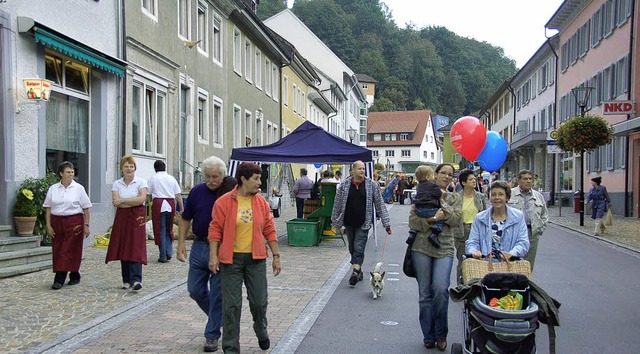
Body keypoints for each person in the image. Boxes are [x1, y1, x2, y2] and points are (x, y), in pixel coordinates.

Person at [208, 162, 281, 354]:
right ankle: (231, 346)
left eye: (259, 178)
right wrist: (213, 256)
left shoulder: (261, 203)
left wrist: (276, 256)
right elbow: (215, 230)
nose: (260, 182)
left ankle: (261, 329)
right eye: (256, 178)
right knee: (231, 306)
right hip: (230, 261)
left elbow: (270, 230)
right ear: (243, 179)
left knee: (259, 302)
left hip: (255, 260)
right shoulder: (223, 202)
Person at [177, 156, 236, 352]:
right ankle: (217, 319)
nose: (211, 180)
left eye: (215, 177)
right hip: (199, 246)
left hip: (221, 248)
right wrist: (181, 244)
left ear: (223, 175)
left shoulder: (229, 194)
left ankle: (211, 335)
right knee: (194, 289)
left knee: (218, 293)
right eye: (207, 176)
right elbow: (185, 219)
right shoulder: (196, 192)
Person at [408, 163, 462, 351]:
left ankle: (441, 333)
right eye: (443, 173)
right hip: (421, 247)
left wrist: (442, 203)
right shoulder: (421, 192)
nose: (447, 177)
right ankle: (428, 336)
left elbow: (456, 219)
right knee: (425, 294)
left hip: (444, 247)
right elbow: (413, 221)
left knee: (440, 289)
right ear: (434, 175)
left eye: (450, 175)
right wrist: (434, 219)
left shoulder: (454, 197)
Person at [332, 160, 392, 286]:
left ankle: (355, 272)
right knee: (352, 248)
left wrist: (387, 224)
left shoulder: (371, 185)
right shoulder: (344, 185)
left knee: (359, 248)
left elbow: (380, 204)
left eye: (363, 168)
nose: (362, 171)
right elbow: (337, 204)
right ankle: (358, 271)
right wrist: (335, 221)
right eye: (359, 168)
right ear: (352, 170)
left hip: (363, 223)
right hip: (348, 222)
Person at [43, 161, 92, 290]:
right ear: (61, 173)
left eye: (72, 172)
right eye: (68, 172)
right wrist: (48, 225)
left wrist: (86, 225)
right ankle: (75, 274)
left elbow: (86, 208)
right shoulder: (53, 188)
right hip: (57, 221)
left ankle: (59, 279)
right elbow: (48, 208)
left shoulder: (78, 188)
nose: (71, 174)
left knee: (70, 249)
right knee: (59, 249)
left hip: (74, 221)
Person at [106, 155, 148, 292]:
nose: (129, 169)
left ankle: (136, 279)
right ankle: (126, 279)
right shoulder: (117, 184)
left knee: (135, 246)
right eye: (126, 166)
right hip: (122, 217)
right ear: (122, 169)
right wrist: (130, 201)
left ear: (135, 168)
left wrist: (123, 201)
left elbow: (141, 199)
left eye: (131, 166)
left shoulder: (141, 182)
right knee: (123, 245)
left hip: (137, 218)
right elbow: (115, 202)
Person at [466, 181, 530, 261]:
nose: (497, 198)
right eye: (493, 195)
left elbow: (523, 242)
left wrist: (512, 253)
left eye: (501, 194)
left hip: (509, 266)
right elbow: (472, 241)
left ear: (507, 197)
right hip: (484, 266)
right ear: (489, 198)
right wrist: (473, 251)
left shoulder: (518, 216)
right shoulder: (480, 218)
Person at [507, 169, 548, 271]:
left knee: (528, 265)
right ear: (518, 180)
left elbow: (544, 215)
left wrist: (539, 229)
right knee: (512, 262)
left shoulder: (538, 196)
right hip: (514, 233)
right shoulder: (510, 194)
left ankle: (526, 284)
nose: (528, 181)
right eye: (525, 179)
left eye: (530, 179)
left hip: (532, 233)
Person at [454, 169, 488, 284]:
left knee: (478, 260)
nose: (474, 181)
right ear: (463, 183)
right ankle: (461, 286)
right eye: (470, 179)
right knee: (463, 260)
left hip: (477, 231)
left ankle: (476, 285)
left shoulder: (480, 196)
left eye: (475, 179)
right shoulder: (456, 197)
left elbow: (485, 213)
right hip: (462, 231)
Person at [147, 160, 184, 263]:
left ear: (155, 169)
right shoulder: (171, 178)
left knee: (160, 229)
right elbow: (178, 195)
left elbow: (148, 193)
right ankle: (169, 251)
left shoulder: (153, 178)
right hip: (170, 204)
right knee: (169, 228)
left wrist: (147, 203)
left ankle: (163, 254)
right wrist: (181, 208)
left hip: (159, 204)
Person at [409, 166, 445, 249]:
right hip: (430, 209)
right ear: (427, 177)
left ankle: (413, 232)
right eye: (432, 175)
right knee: (441, 218)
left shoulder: (419, 186)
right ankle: (434, 233)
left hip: (418, 209)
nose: (434, 177)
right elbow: (438, 194)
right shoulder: (433, 185)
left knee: (418, 221)